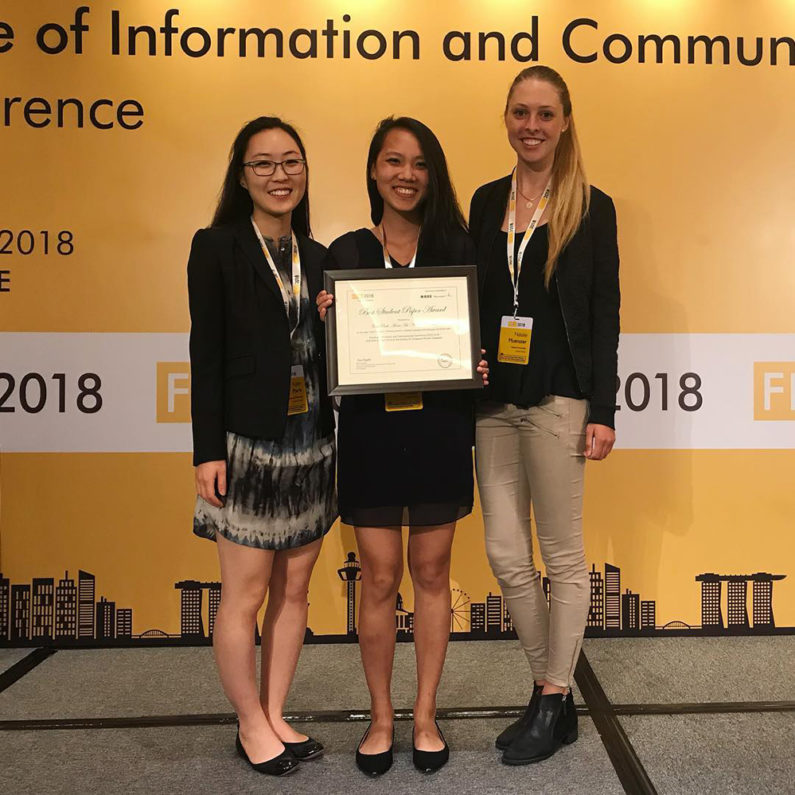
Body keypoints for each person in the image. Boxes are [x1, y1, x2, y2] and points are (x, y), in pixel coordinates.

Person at [316, 116, 488, 776]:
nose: (406, 174)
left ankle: (423, 715)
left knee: (434, 574)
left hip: (440, 428)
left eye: (417, 163)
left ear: (431, 173)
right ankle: (381, 715)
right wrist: (329, 325)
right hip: (370, 436)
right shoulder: (348, 252)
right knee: (380, 577)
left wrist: (475, 366)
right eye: (393, 161)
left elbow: (481, 344)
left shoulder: (456, 249)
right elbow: (322, 355)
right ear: (372, 171)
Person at [469, 65, 620, 765]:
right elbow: (468, 297)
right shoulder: (482, 202)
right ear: (505, 117)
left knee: (561, 556)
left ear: (564, 122)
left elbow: (603, 313)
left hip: (560, 398)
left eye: (544, 114)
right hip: (493, 400)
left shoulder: (591, 206)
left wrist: (604, 407)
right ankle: (546, 689)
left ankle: (553, 694)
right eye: (520, 112)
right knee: (504, 551)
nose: (531, 125)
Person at [188, 116, 336, 777]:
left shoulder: (322, 253)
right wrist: (206, 451)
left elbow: (335, 356)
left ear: (305, 171)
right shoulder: (216, 247)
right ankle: (248, 721)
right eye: (264, 164)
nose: (280, 175)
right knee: (243, 593)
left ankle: (275, 711)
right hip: (245, 444)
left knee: (295, 589)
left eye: (291, 161)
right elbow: (206, 354)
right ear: (242, 175)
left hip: (310, 444)